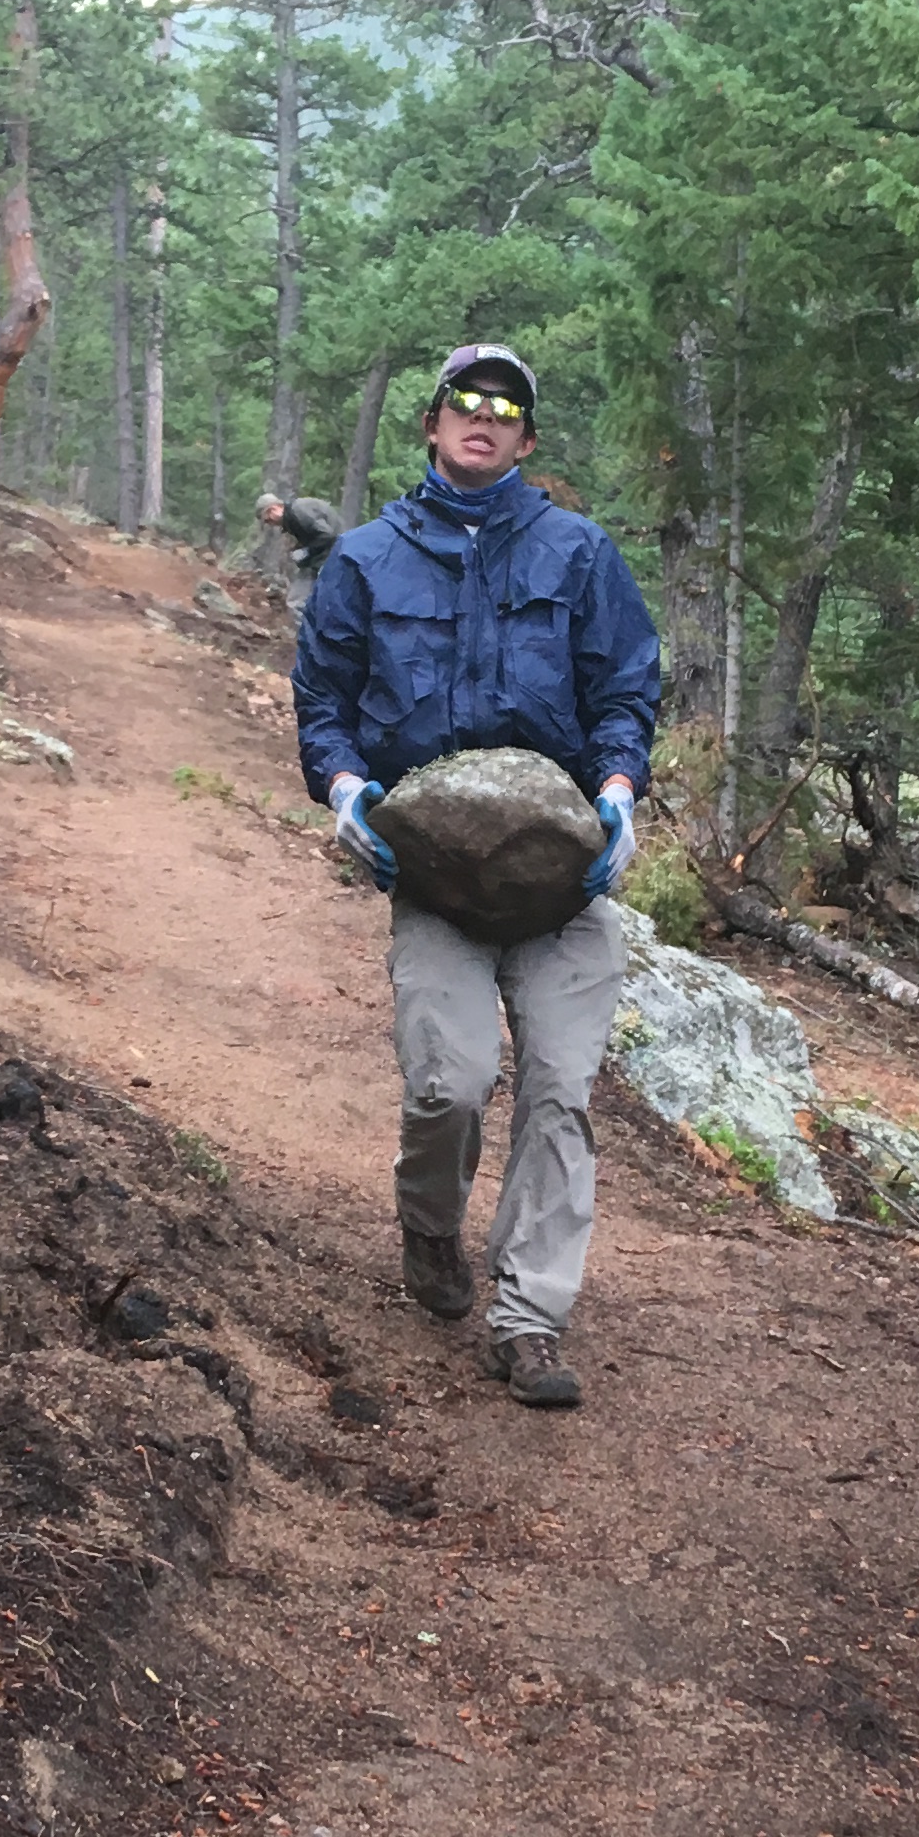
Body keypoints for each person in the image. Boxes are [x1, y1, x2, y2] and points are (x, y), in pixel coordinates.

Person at [293, 342, 662, 1410]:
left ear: (527, 438)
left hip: (565, 881)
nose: (484, 418)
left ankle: (529, 1318)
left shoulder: (580, 554)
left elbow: (626, 687)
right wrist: (347, 789)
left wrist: (622, 791)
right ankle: (430, 1225)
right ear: (433, 420)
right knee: (449, 1083)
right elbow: (324, 693)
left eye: (507, 408)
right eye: (467, 401)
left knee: (559, 1093)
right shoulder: (365, 559)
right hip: (437, 874)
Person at [256, 488, 345, 609]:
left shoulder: (299, 511)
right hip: (323, 558)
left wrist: (307, 551)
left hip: (335, 556)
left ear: (273, 509)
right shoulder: (292, 517)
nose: (270, 524)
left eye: (268, 520)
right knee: (299, 600)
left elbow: (327, 535)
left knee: (300, 603)